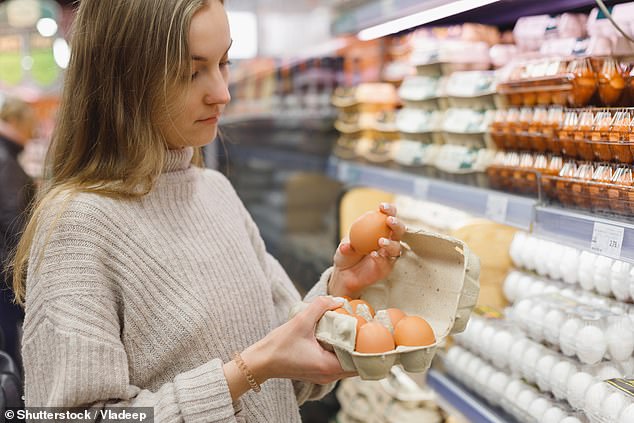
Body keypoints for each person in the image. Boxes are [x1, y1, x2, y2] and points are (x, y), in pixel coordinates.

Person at [11, 1, 405, 421]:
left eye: (224, 62)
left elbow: (287, 377)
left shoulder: (216, 192)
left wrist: (338, 292)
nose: (222, 92)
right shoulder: (79, 226)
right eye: (191, 71)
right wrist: (246, 371)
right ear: (123, 78)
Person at [0, 95, 36, 366]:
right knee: (9, 342)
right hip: (5, 270)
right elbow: (14, 220)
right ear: (14, 122)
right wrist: (25, 271)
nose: (31, 133)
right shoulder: (5, 159)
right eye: (28, 126)